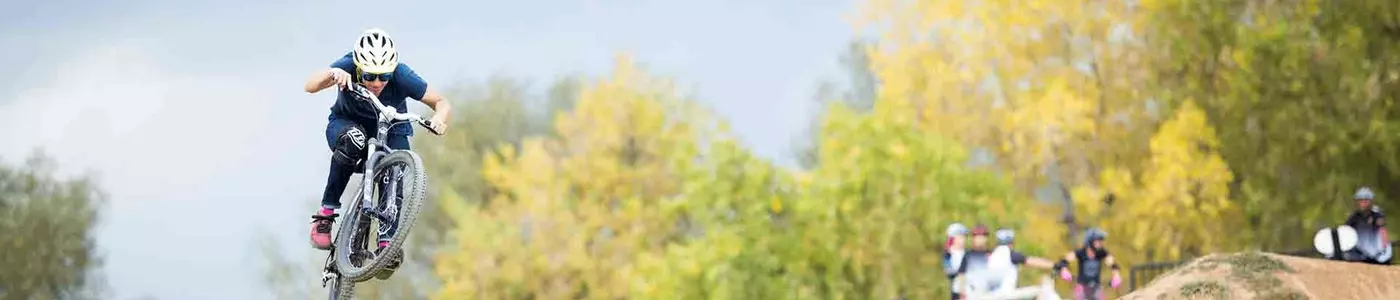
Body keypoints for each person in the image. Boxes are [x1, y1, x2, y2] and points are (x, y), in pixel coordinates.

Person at [302, 28, 453, 279]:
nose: (376, 83)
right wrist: (332, 75)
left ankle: (387, 243)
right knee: (354, 140)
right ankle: (326, 215)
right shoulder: (348, 64)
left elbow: (442, 102)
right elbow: (310, 86)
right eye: (369, 75)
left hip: (392, 126)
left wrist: (440, 118)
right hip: (347, 123)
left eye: (384, 76)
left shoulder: (402, 75)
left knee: (396, 165)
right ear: (359, 67)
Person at [952, 225, 1055, 299]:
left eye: (982, 236)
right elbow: (961, 276)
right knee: (1041, 291)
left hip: (990, 294)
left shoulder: (992, 254)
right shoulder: (969, 256)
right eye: (977, 236)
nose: (980, 239)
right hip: (984, 295)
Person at [1054, 228, 1122, 300]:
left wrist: (1116, 275)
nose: (1101, 243)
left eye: (1101, 240)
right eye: (1098, 240)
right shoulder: (1081, 252)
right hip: (1082, 288)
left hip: (1096, 288)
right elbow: (1064, 261)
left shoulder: (1102, 253)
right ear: (1090, 241)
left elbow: (1112, 263)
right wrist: (1064, 270)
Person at [1344, 187, 1391, 264]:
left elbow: (1381, 223)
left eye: (1366, 201)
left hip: (1377, 252)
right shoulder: (1354, 216)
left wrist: (1374, 220)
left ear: (1371, 201)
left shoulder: (1376, 213)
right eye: (1360, 201)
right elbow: (1346, 230)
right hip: (1360, 252)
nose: (1363, 203)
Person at [944, 223, 969, 300]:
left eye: (964, 237)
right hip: (957, 291)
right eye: (961, 237)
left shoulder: (967, 253)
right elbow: (949, 271)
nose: (963, 240)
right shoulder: (949, 254)